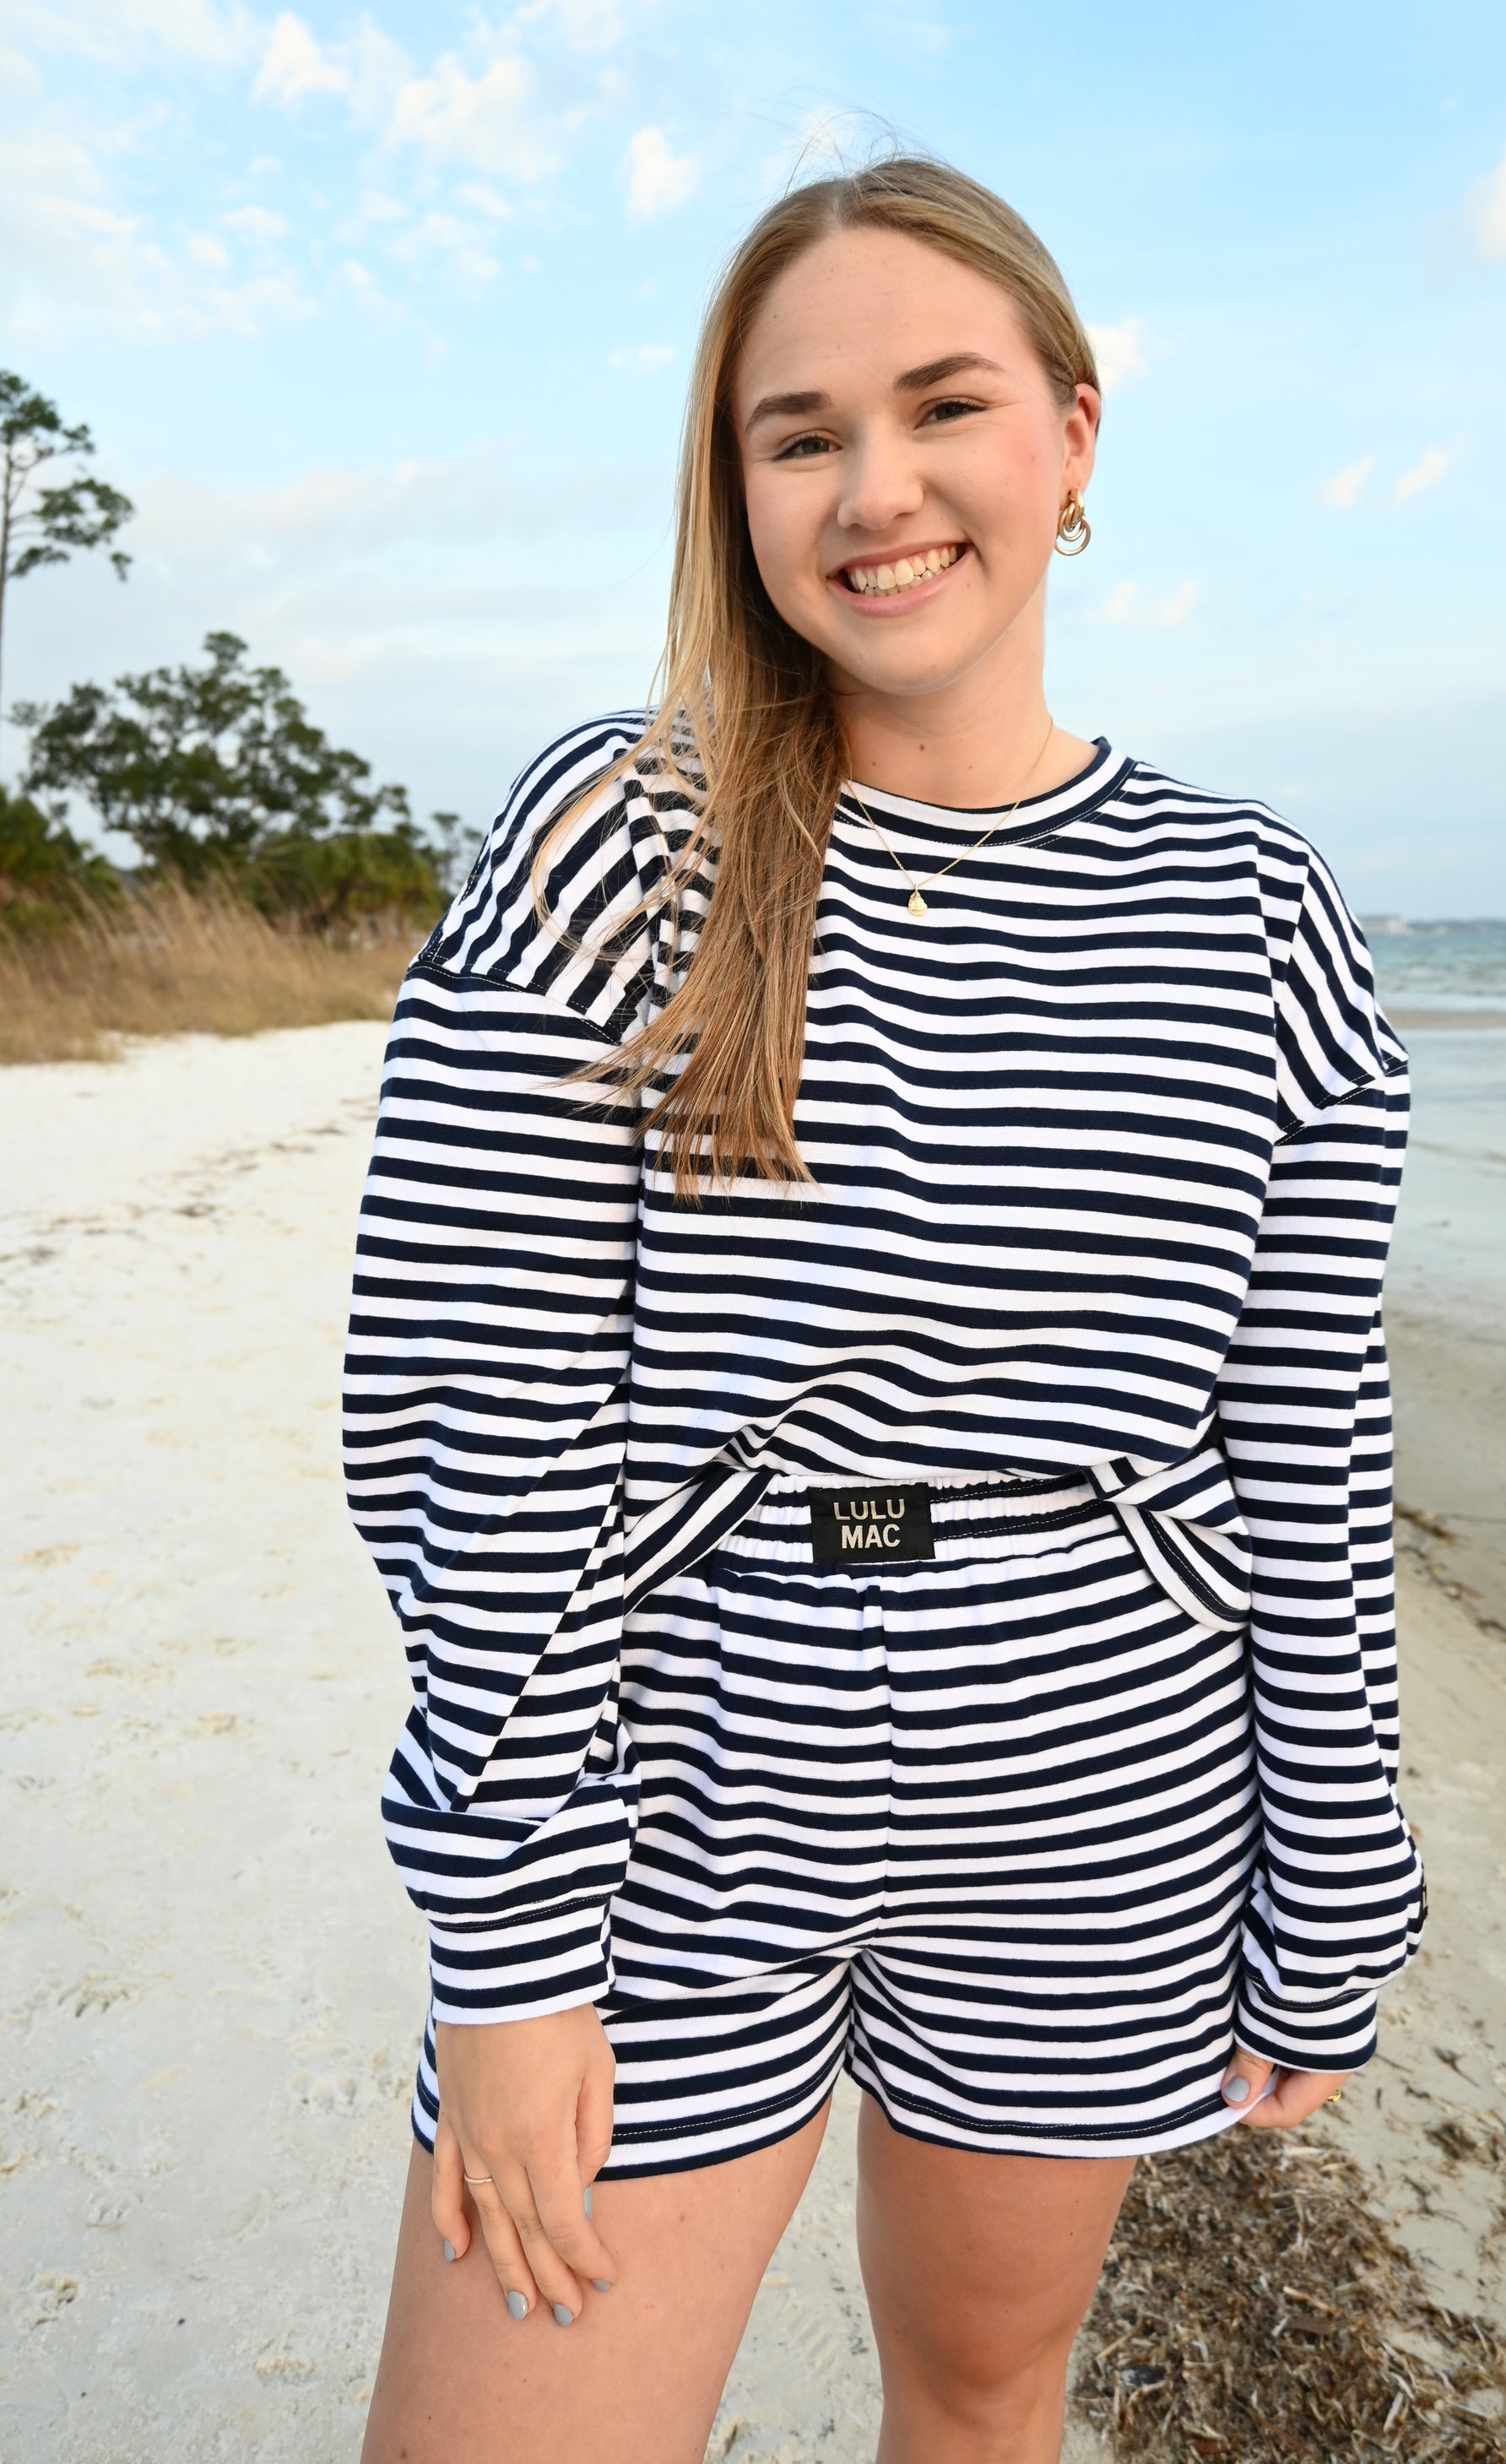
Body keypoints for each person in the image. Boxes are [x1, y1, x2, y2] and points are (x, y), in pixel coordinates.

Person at [346, 155, 1425, 2464]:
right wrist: (510, 1964)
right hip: (671, 1798)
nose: (875, 488)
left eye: (943, 405)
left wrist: (1330, 1884)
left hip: (1097, 1799)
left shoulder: (1256, 907)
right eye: (795, 432)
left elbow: (1307, 1447)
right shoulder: (615, 841)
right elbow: (470, 1427)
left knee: (975, 2393)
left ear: (1072, 435)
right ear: (730, 484)